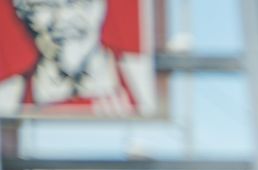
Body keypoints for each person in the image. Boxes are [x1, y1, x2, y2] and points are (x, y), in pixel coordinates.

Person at [0, 0, 154, 116]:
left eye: (76, 2)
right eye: (44, 5)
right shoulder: (9, 96)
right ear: (22, 13)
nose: (63, 19)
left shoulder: (143, 78)